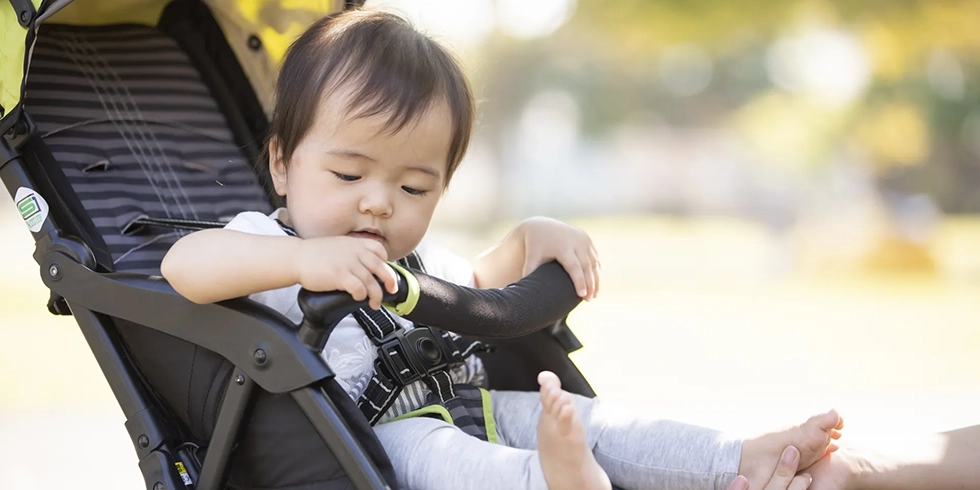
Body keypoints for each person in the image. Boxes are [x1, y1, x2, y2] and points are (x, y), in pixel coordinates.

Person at [161, 8, 843, 490]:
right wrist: (302, 262)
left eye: (415, 186)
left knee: (591, 420)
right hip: (376, 440)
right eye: (348, 175)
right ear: (282, 165)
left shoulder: (412, 263)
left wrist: (528, 239)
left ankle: (736, 457)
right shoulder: (264, 243)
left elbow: (477, 286)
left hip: (475, 402)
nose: (379, 202)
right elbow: (182, 267)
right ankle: (550, 482)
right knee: (451, 461)